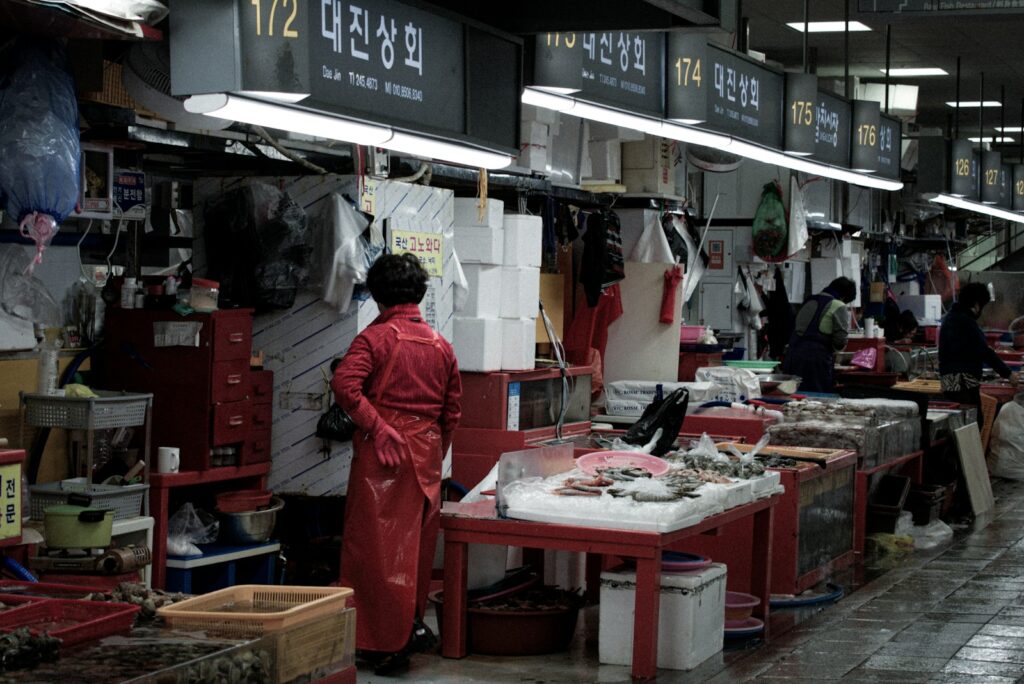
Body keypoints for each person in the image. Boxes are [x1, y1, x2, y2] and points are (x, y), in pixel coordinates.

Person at [331, 253, 462, 676]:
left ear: (376, 294)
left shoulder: (375, 339)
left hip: (381, 459)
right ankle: (404, 633)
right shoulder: (442, 346)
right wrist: (433, 456)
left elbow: (344, 384)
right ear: (419, 293)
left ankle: (380, 642)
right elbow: (452, 412)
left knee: (375, 553)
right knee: (415, 554)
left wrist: (380, 428)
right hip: (425, 455)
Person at [939, 282, 1016, 406]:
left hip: (949, 381)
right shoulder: (965, 321)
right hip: (963, 382)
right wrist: (1009, 374)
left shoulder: (951, 318)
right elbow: (984, 351)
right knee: (972, 419)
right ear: (976, 305)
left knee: (962, 419)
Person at [781, 276, 857, 392]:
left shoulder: (809, 300)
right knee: (818, 399)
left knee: (793, 395)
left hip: (793, 355)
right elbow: (841, 340)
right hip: (815, 361)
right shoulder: (838, 305)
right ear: (844, 297)